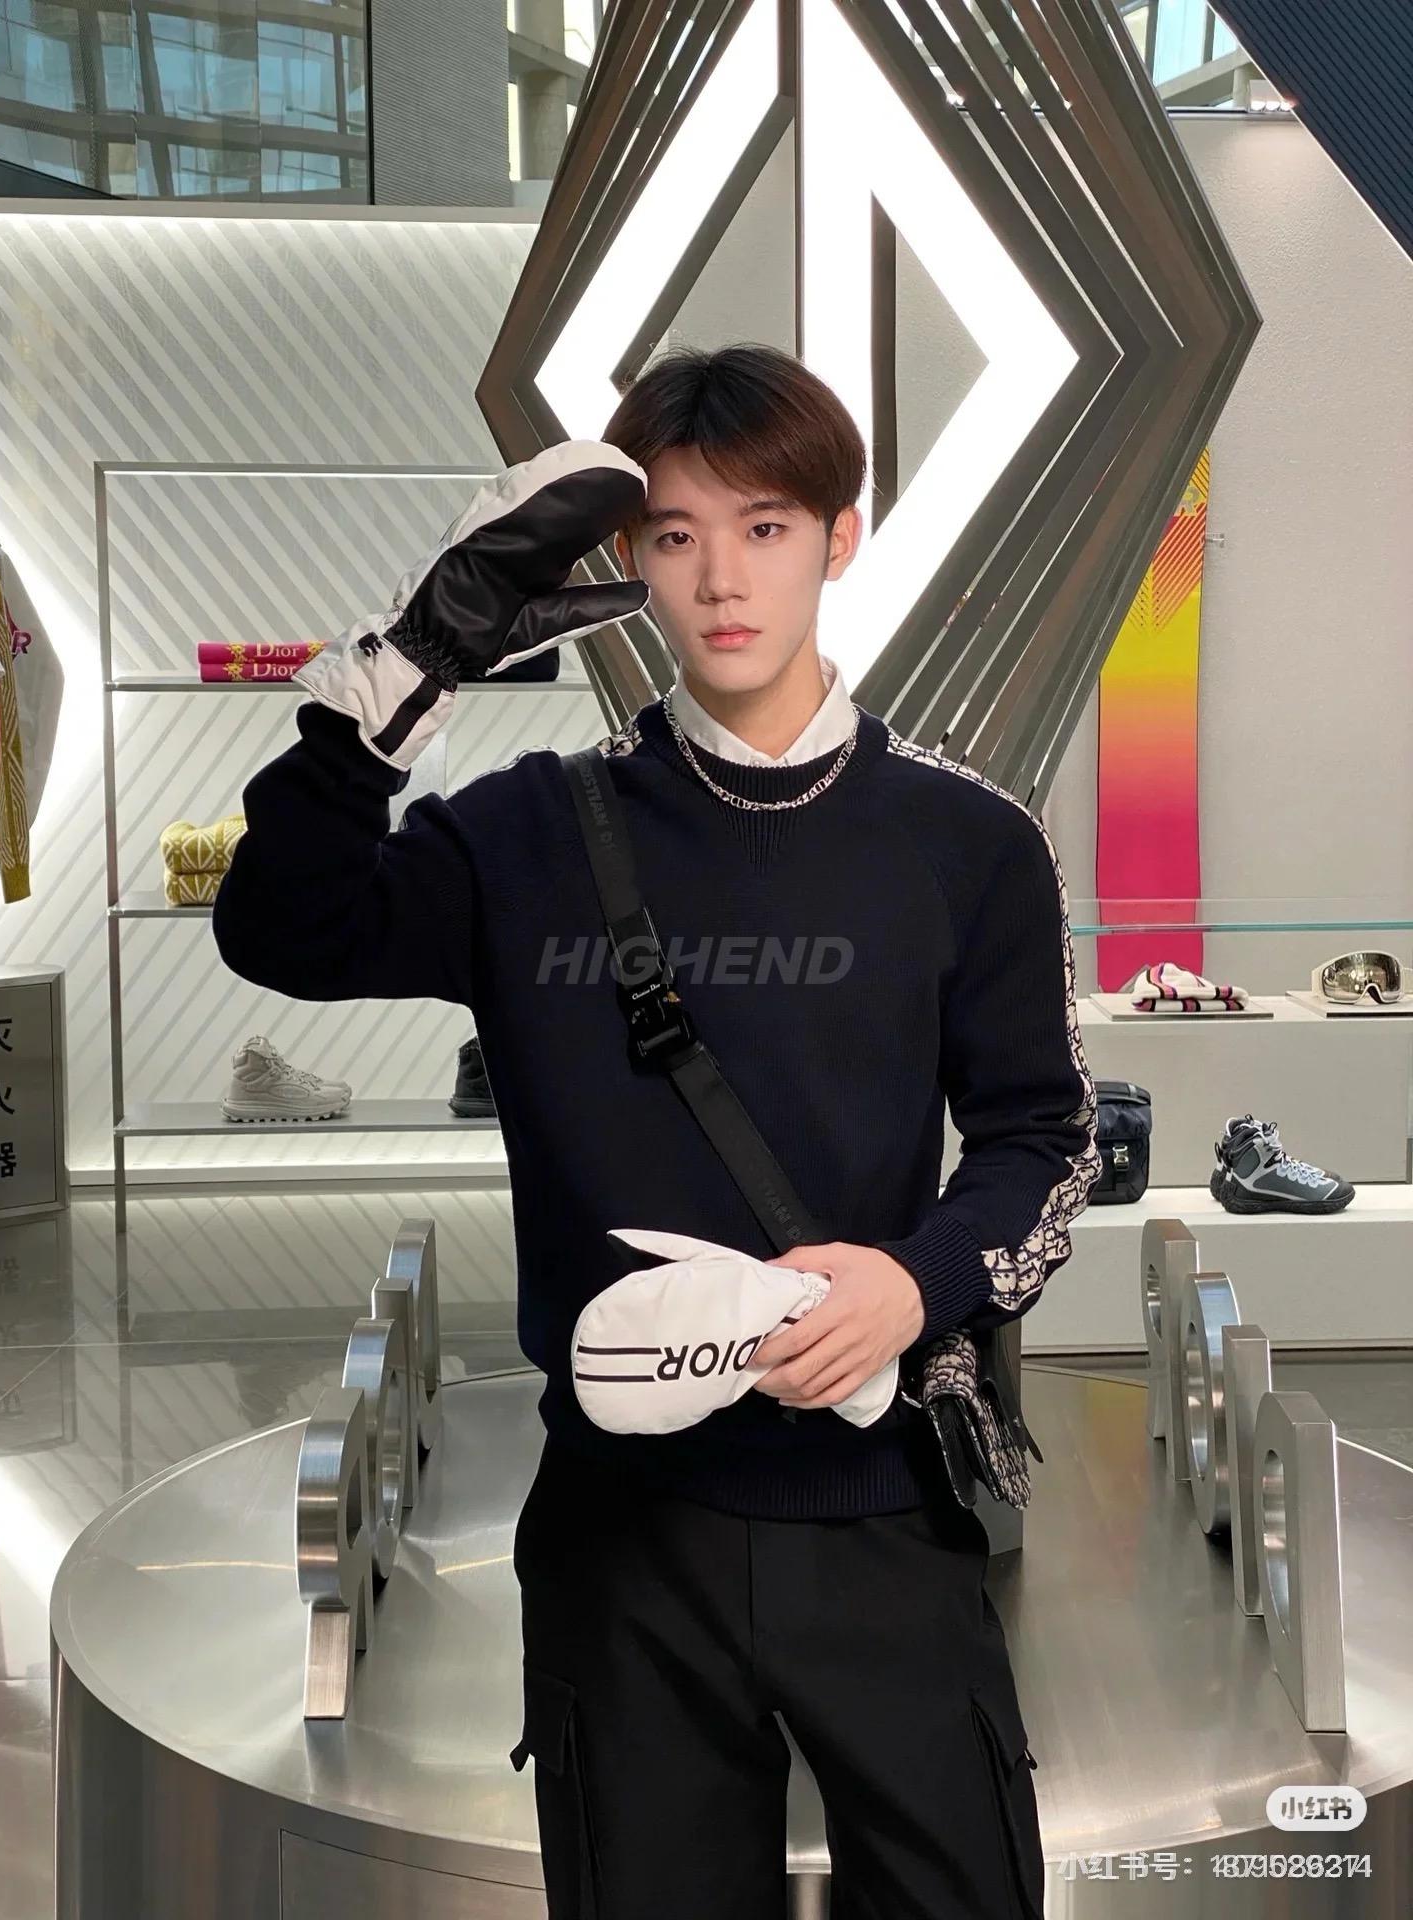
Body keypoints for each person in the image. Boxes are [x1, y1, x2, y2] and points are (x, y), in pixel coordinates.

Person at [212, 341, 1101, 1919]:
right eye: (676, 536)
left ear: (840, 535)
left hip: (880, 1503)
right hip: (622, 1537)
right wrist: (409, 674)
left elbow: (1046, 1138)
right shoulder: (536, 831)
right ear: (628, 561)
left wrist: (917, 1283)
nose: (721, 580)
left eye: (766, 527)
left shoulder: (967, 840)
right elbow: (281, 926)